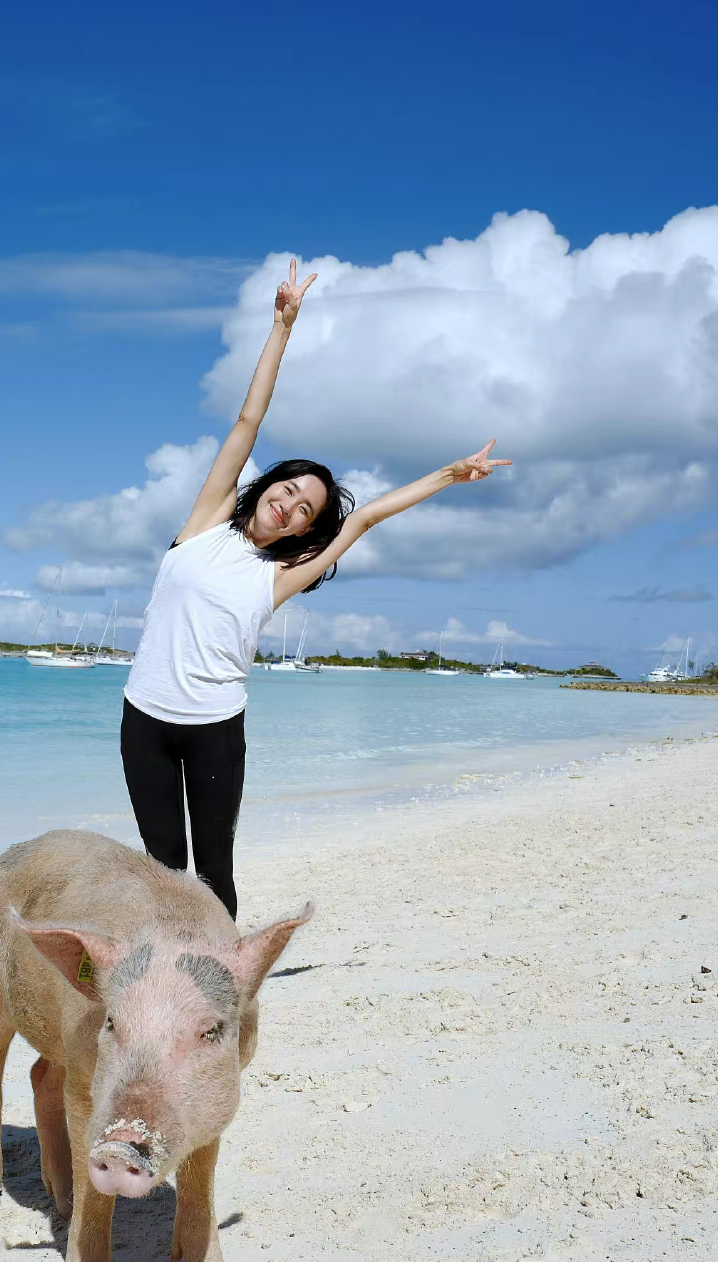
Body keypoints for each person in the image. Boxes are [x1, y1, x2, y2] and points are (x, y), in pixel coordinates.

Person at [121, 260, 511, 918]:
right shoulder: (203, 525)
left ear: (303, 532)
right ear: (268, 484)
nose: (291, 506)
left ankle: (222, 990)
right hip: (144, 721)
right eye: (290, 490)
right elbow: (247, 420)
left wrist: (447, 473)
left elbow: (362, 517)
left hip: (215, 728)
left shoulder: (278, 576)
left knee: (213, 869)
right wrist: (281, 326)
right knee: (163, 868)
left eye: (305, 510)